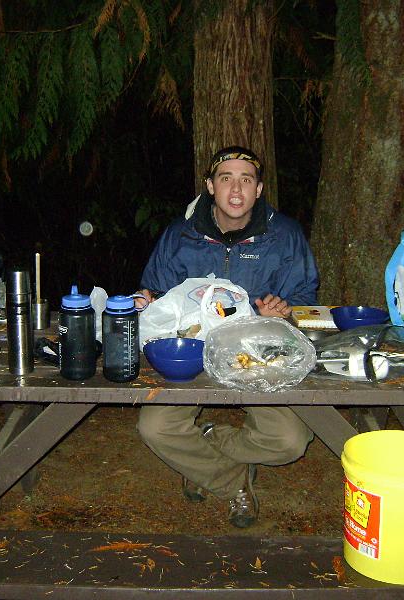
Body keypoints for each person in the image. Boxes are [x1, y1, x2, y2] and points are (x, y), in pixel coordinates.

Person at [135, 145, 319, 528]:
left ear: (259, 188)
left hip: (257, 355)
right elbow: (153, 291)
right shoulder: (179, 235)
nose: (236, 190)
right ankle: (232, 480)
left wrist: (280, 315)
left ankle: (204, 443)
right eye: (226, 179)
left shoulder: (284, 235)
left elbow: (304, 300)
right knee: (155, 427)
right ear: (209, 187)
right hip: (192, 354)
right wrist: (145, 302)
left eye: (246, 180)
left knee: (289, 441)